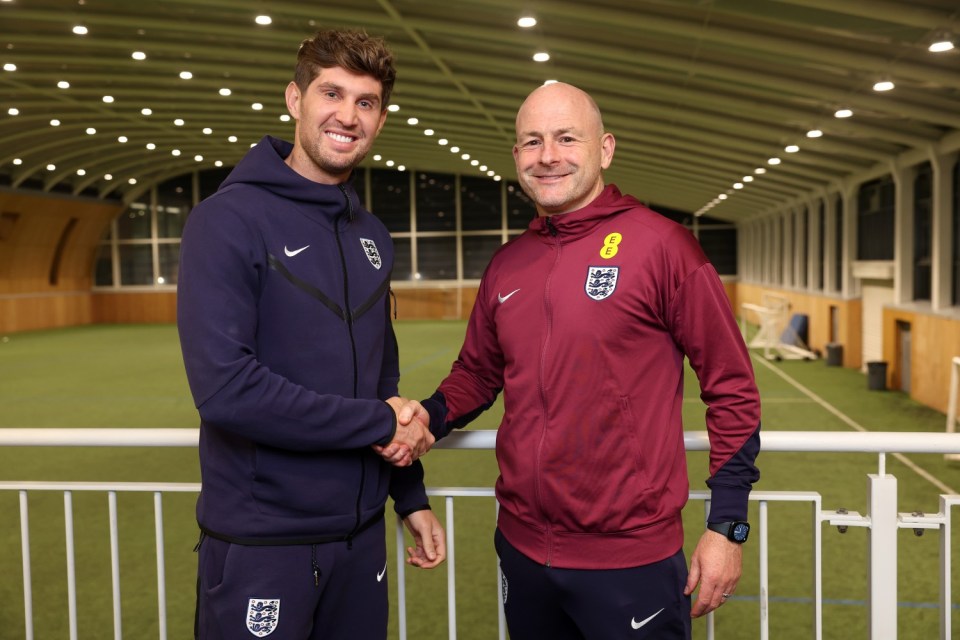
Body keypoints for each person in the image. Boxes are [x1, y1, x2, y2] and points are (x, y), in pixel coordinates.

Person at [386, 82, 762, 638]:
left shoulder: (664, 246)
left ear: (604, 149)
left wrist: (726, 526)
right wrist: (427, 418)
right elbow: (477, 373)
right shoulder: (508, 264)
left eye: (567, 138)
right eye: (533, 142)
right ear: (517, 157)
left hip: (631, 556)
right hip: (520, 547)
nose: (549, 156)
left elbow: (732, 386)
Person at [177, 29, 444, 640]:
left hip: (358, 540)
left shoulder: (373, 235)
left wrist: (410, 495)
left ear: (380, 118)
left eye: (366, 102)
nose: (347, 116)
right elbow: (227, 390)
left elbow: (382, 378)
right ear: (296, 99)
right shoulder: (227, 220)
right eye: (332, 93)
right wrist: (381, 423)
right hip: (261, 543)